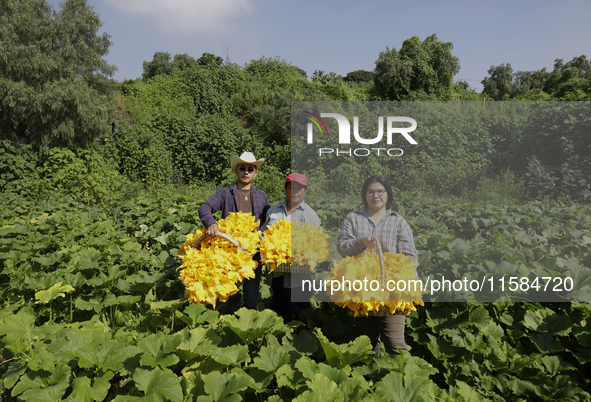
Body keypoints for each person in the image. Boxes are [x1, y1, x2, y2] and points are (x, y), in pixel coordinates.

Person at [336, 175, 418, 358]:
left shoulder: (398, 221)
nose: (376, 196)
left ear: (388, 194)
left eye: (380, 191)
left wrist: (409, 286)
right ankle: (372, 380)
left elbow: (410, 257)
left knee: (395, 342)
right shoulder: (352, 218)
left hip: (392, 290)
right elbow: (342, 247)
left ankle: (405, 378)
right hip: (362, 290)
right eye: (370, 192)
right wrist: (361, 242)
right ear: (365, 195)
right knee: (368, 342)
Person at [198, 151, 270, 310]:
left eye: (250, 169)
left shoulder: (262, 196)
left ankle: (248, 326)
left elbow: (268, 222)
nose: (246, 172)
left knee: (251, 298)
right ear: (236, 170)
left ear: (255, 174)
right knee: (226, 294)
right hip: (228, 253)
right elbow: (205, 207)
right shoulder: (224, 193)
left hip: (253, 254)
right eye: (242, 168)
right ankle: (221, 324)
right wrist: (211, 223)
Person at [260, 173, 321, 321]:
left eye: (299, 188)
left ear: (305, 191)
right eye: (291, 187)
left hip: (300, 275)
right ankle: (281, 340)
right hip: (277, 272)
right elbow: (263, 235)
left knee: (301, 312)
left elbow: (315, 245)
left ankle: (303, 340)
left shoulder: (310, 215)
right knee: (279, 309)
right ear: (286, 189)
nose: (295, 191)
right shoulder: (273, 210)